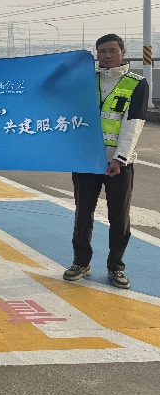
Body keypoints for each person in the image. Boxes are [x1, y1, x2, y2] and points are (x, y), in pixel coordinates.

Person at [65, 33, 149, 289]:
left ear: (123, 52)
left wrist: (120, 159)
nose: (107, 56)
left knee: (119, 217)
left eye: (112, 50)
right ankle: (81, 262)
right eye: (101, 51)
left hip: (118, 164)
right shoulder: (86, 81)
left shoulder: (136, 84)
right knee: (83, 213)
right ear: (96, 55)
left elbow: (133, 124)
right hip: (87, 162)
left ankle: (116, 267)